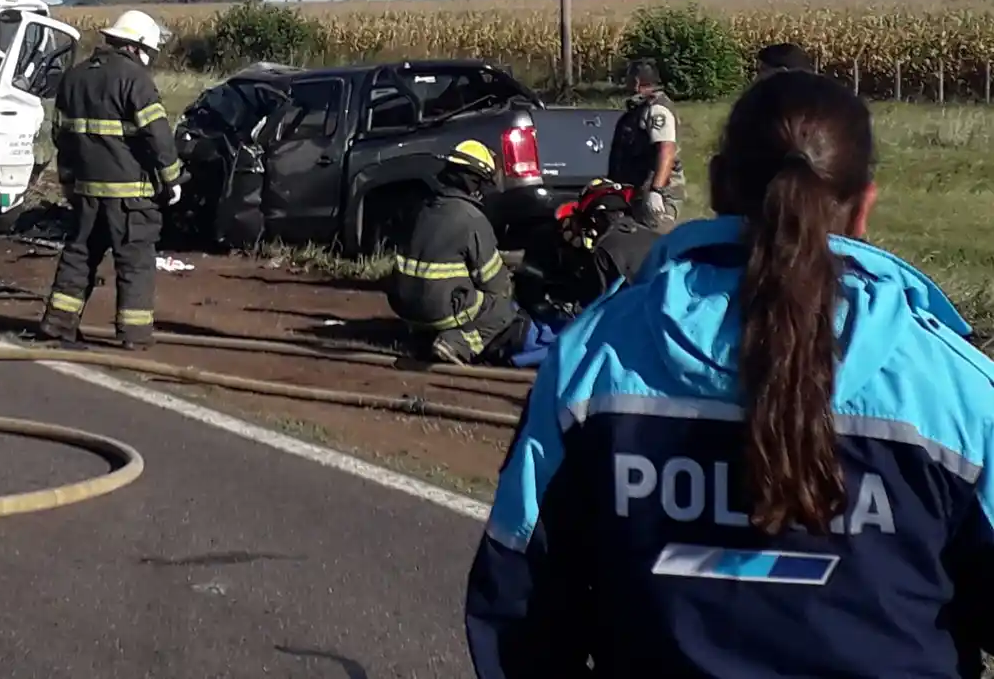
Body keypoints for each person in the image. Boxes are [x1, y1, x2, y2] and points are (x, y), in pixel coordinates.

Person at [464, 70, 994, 678]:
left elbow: (519, 609)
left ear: (717, 185)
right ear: (863, 206)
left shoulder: (594, 357)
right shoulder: (956, 391)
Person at [38, 9, 182, 351]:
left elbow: (62, 135)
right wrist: (172, 179)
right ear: (137, 46)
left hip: (86, 191)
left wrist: (69, 181)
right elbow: (158, 137)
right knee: (135, 263)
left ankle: (58, 324)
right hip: (131, 196)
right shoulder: (135, 80)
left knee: (79, 255)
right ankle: (134, 336)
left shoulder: (74, 78)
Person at [388, 139, 526, 365]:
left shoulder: (422, 207)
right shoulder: (472, 219)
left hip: (403, 306)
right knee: (502, 308)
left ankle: (424, 339)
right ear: (475, 183)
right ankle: (457, 344)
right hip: (438, 307)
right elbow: (495, 284)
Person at [606, 58, 683, 229]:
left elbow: (666, 149)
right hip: (636, 194)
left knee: (655, 241)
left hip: (654, 197)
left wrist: (656, 191)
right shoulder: (639, 109)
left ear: (637, 81)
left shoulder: (657, 109)